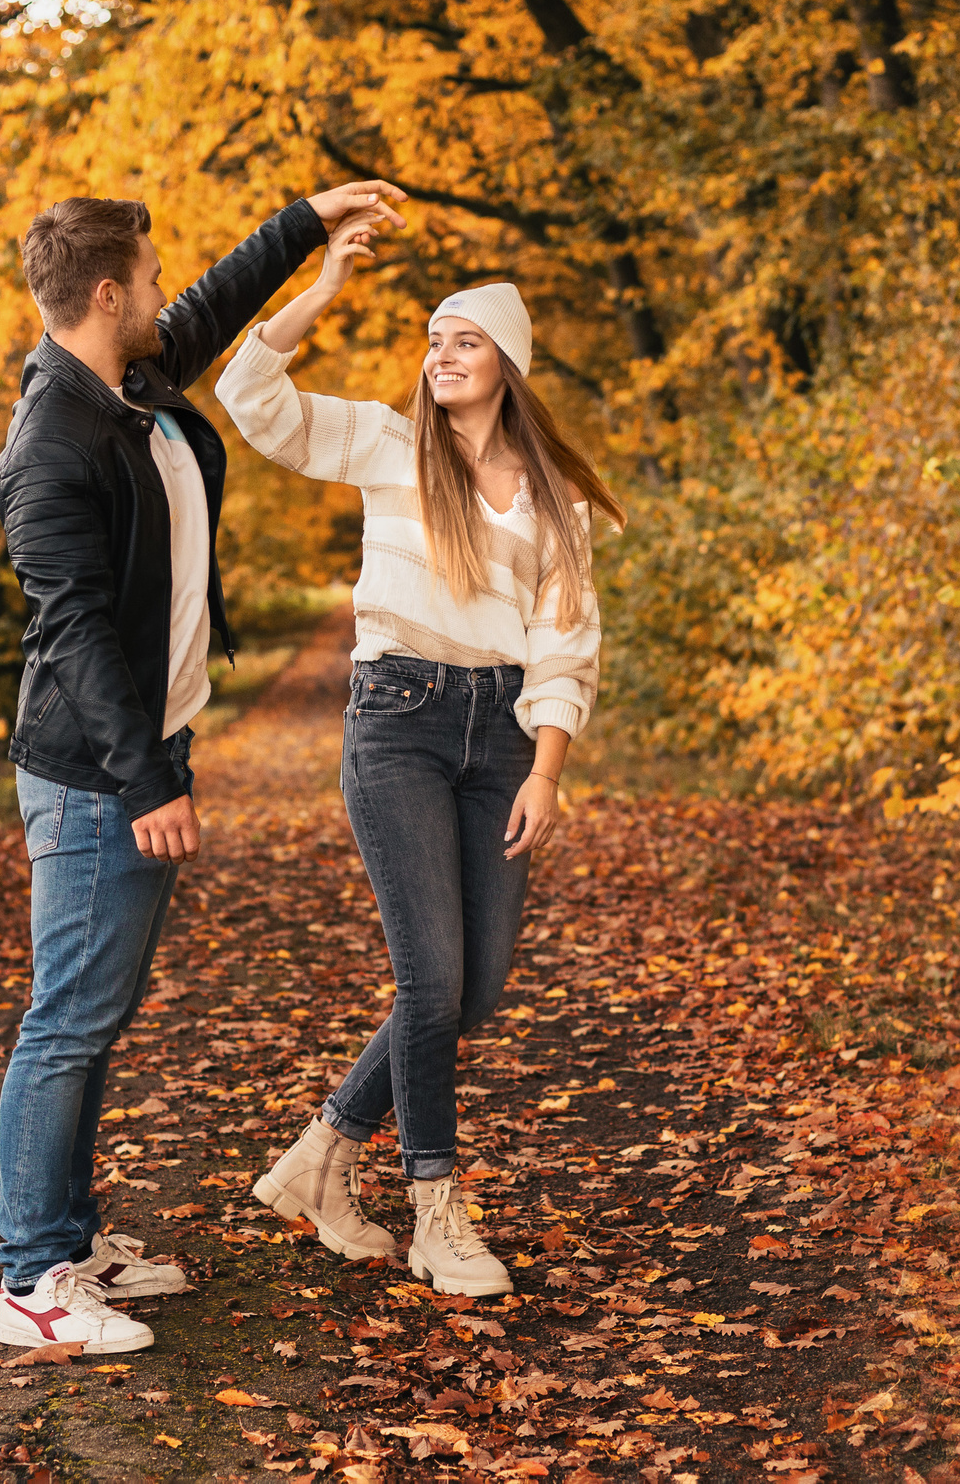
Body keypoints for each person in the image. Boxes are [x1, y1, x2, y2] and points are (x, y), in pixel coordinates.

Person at [0, 179, 407, 1353]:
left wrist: (305, 224)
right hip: (91, 775)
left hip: (140, 753)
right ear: (108, 293)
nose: (169, 297)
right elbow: (68, 632)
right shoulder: (51, 444)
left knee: (95, 1016)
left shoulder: (122, 384)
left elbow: (216, 304)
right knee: (66, 1022)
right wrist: (145, 782)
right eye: (153, 281)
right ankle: (32, 1284)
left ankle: (68, 1240)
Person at [219, 207, 622, 1297]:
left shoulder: (556, 501)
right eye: (433, 339)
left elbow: (564, 644)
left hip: (499, 741)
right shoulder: (390, 444)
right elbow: (250, 402)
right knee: (429, 978)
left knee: (475, 983)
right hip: (395, 721)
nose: (439, 356)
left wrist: (545, 766)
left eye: (464, 340)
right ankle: (438, 1210)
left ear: (508, 366)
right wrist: (322, 290)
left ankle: (321, 1157)